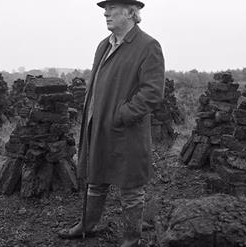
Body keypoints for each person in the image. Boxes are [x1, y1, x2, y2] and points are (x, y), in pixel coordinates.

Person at [58, 0, 165, 246]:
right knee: (95, 178)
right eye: (105, 9)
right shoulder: (103, 45)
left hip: (126, 130)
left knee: (131, 187)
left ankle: (130, 238)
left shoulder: (148, 46)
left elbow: (152, 92)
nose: (105, 13)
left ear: (130, 12)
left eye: (112, 8)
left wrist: (123, 114)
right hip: (98, 126)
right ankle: (87, 225)